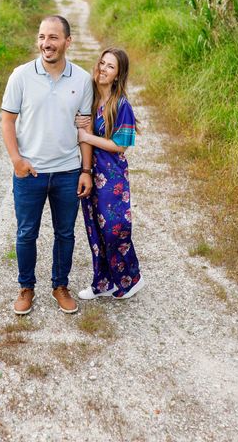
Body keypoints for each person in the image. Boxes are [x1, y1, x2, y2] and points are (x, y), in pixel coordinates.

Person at [1, 15, 94, 315]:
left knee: (65, 233)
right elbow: (7, 121)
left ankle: (60, 286)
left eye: (53, 37)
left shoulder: (81, 79)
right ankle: (26, 288)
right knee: (26, 233)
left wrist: (86, 170)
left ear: (68, 41)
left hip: (68, 172)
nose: (46, 43)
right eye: (42, 37)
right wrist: (17, 161)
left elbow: (85, 130)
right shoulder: (21, 75)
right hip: (31, 172)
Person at [75, 47, 145, 300]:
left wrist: (88, 136)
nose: (102, 69)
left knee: (115, 228)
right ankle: (103, 283)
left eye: (110, 66)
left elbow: (121, 145)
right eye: (102, 63)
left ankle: (130, 278)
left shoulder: (121, 105)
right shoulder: (89, 98)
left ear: (118, 74)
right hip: (88, 170)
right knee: (95, 227)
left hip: (112, 175)